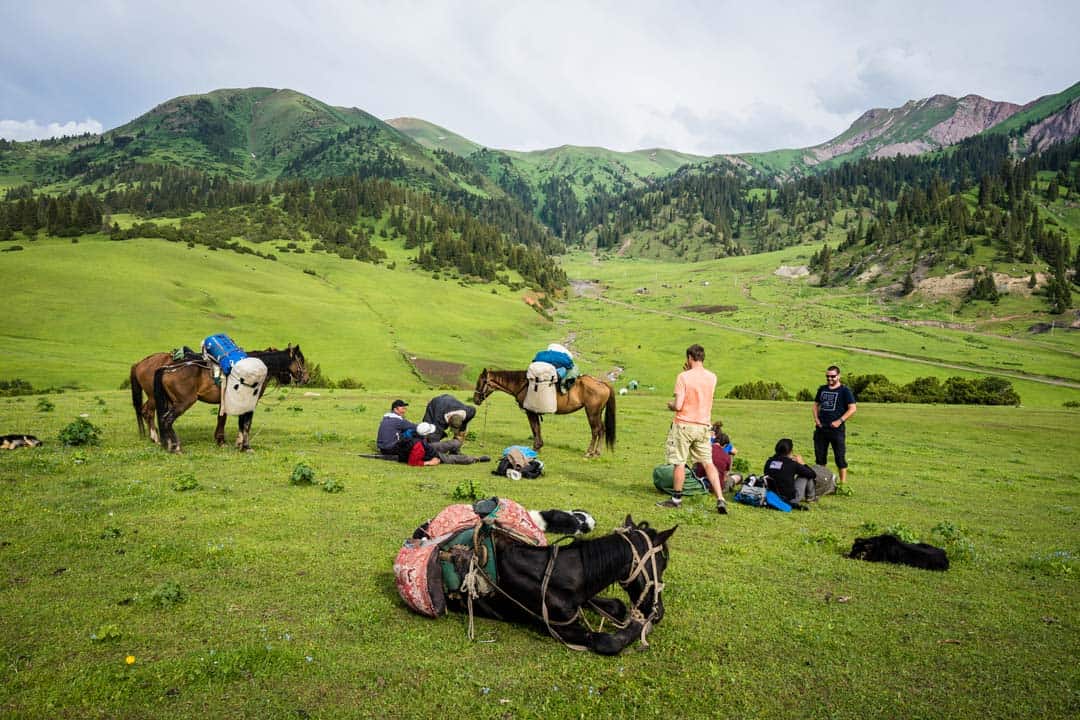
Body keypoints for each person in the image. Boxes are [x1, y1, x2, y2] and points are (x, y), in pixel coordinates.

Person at [658, 344, 726, 514]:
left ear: (689, 357)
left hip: (684, 424)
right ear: (702, 357)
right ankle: (720, 498)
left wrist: (670, 405)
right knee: (707, 463)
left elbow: (679, 405)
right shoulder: (712, 377)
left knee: (679, 462)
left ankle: (676, 499)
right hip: (703, 425)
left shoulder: (683, 377)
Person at [812, 365, 857, 486]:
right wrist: (816, 419)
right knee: (820, 458)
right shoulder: (822, 389)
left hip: (836, 430)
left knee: (840, 457)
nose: (830, 379)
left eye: (833, 376)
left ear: (839, 376)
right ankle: (822, 482)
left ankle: (843, 484)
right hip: (821, 428)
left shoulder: (844, 391)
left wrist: (839, 421)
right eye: (827, 376)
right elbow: (816, 405)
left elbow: (852, 408)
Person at [396, 423, 490, 466]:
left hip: (428, 448)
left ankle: (455, 450)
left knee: (454, 443)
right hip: (429, 455)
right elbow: (412, 462)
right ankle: (475, 459)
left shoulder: (413, 433)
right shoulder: (418, 446)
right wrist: (429, 462)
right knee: (453, 459)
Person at [763, 438, 817, 508]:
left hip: (772, 496)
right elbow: (812, 474)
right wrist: (802, 463)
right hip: (790, 499)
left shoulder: (769, 461)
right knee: (805, 475)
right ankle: (811, 498)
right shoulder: (792, 464)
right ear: (790, 451)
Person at [694, 423, 739, 493]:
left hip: (698, 482)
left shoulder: (704, 448)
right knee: (737, 476)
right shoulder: (726, 455)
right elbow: (725, 477)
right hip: (715, 487)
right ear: (725, 445)